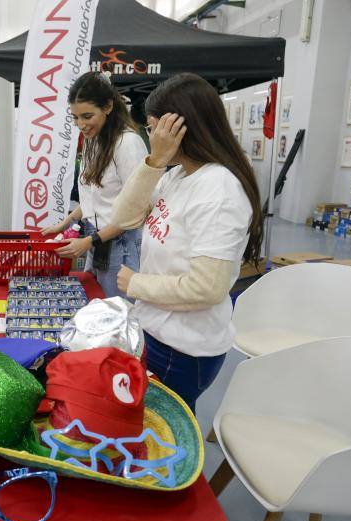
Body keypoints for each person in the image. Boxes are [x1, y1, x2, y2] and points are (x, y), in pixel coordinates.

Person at [109, 73, 263, 411]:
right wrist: (154, 161)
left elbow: (207, 288)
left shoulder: (219, 190)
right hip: (158, 333)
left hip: (182, 349)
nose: (152, 138)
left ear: (181, 127)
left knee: (166, 438)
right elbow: (122, 216)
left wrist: (137, 283)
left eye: (154, 129)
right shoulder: (178, 175)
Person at [43, 72, 147, 298]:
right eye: (75, 117)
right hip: (97, 240)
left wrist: (90, 241)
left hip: (121, 245)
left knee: (118, 314)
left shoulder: (128, 144)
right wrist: (66, 223)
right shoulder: (94, 141)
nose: (81, 124)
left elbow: (137, 212)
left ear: (108, 107)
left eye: (87, 116)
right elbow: (94, 197)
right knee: (97, 306)